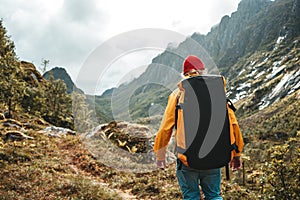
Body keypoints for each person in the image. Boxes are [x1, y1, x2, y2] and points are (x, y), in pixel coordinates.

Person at [153, 55, 244, 200]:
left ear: (184, 75)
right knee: (214, 195)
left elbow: (165, 128)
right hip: (214, 155)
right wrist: (237, 154)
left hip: (187, 158)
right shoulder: (217, 92)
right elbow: (233, 125)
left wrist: (160, 155)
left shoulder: (178, 94)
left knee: (191, 197)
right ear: (203, 71)